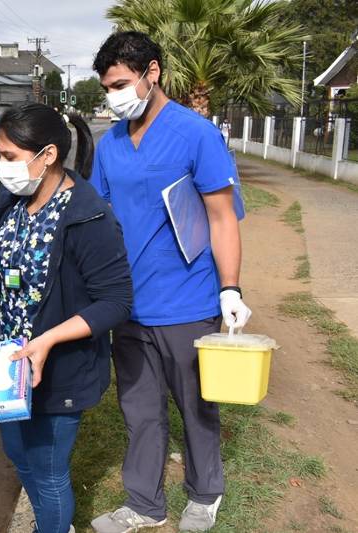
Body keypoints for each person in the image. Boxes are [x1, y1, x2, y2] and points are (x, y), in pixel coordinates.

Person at [0, 103, 132, 533]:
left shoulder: (88, 216)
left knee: (48, 469)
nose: (2, 167)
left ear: (48, 155)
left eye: (9, 157)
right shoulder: (13, 201)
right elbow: (7, 272)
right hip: (7, 365)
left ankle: (52, 526)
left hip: (57, 370)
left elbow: (115, 301)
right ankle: (48, 520)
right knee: (18, 455)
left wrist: (47, 341)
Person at [88, 32, 252, 533]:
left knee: (197, 405)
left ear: (151, 72)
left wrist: (230, 289)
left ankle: (205, 494)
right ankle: (145, 504)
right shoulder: (110, 144)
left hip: (187, 304)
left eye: (120, 84)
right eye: (107, 88)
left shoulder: (194, 133)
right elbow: (101, 217)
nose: (113, 96)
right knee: (139, 410)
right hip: (129, 306)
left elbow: (223, 218)